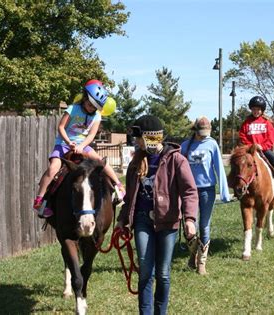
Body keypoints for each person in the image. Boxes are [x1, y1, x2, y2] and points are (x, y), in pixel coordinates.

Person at [116, 115, 198, 315]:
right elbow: (130, 196)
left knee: (163, 273)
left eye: (139, 138)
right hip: (143, 219)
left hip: (168, 222)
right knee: (145, 269)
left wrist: (189, 219)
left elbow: (189, 191)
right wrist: (122, 219)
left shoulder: (177, 160)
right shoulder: (136, 161)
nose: (136, 141)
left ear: (151, 137)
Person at [32, 80, 125, 218]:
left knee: (100, 161)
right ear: (85, 97)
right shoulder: (72, 109)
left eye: (95, 107)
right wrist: (69, 142)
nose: (91, 109)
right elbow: (61, 127)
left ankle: (119, 186)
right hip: (63, 144)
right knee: (53, 169)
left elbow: (92, 134)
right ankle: (39, 201)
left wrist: (81, 146)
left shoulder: (97, 116)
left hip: (83, 145)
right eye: (90, 104)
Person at [180, 116, 230, 275]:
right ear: (195, 130)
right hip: (189, 191)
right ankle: (192, 256)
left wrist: (224, 191)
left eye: (206, 132)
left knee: (204, 225)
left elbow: (219, 167)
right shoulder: (185, 146)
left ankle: (202, 263)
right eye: (201, 132)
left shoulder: (212, 144)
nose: (204, 135)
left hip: (207, 190)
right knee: (190, 226)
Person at [239, 96, 274, 192]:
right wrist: (251, 146)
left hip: (263, 149)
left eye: (258, 109)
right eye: (254, 109)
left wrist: (262, 147)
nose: (256, 111)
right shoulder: (246, 123)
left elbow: (271, 138)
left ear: (262, 110)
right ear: (251, 109)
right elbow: (242, 136)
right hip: (250, 149)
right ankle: (237, 182)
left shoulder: (267, 123)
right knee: (238, 162)